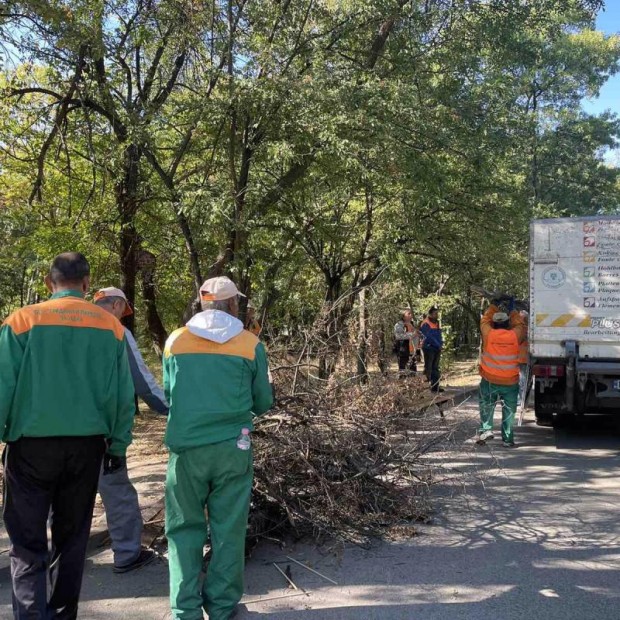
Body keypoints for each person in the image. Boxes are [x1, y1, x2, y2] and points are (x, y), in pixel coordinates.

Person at [0, 252, 135, 619]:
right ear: (88, 284)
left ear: (49, 283)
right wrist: (118, 445)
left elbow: (3, 387)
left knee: (28, 543)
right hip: (86, 448)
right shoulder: (111, 328)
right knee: (72, 540)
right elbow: (122, 396)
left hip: (30, 449)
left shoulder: (22, 321)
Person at [163, 276, 273, 620]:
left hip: (186, 450)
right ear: (234, 304)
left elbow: (170, 393)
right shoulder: (249, 344)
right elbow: (263, 401)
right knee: (228, 529)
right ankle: (222, 607)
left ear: (202, 301)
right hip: (232, 448)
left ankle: (185, 610)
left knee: (183, 529)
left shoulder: (175, 341)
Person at [94, 286, 169, 573]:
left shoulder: (48, 326)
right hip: (101, 428)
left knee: (59, 495)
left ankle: (55, 559)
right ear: (115, 306)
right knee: (116, 491)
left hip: (47, 429)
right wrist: (171, 409)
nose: (123, 317)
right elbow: (142, 381)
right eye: (123, 311)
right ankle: (127, 555)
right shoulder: (115, 331)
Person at [477, 300, 526, 447]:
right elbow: (520, 325)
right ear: (507, 323)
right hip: (510, 381)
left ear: (494, 323)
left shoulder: (488, 334)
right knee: (509, 411)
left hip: (489, 379)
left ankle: (486, 430)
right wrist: (513, 311)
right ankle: (508, 440)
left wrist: (493, 306)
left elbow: (484, 320)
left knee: (486, 405)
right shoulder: (514, 335)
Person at [420, 306, 443, 392]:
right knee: (428, 367)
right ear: (430, 314)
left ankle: (435, 387)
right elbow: (428, 337)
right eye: (435, 314)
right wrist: (438, 344)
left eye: (437, 313)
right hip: (429, 347)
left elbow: (438, 335)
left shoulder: (436, 323)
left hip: (436, 348)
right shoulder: (425, 323)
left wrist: (441, 343)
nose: (437, 315)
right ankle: (425, 387)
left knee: (435, 368)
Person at [393, 308, 420, 377]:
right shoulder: (399, 325)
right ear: (403, 316)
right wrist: (412, 334)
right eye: (409, 314)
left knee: (413, 372)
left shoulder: (413, 324)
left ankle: (413, 386)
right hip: (403, 352)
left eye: (411, 313)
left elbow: (417, 336)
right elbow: (398, 336)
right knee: (403, 372)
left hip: (412, 352)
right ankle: (403, 386)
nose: (411, 315)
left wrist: (417, 350)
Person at [518, 310, 530, 404]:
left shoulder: (519, 329)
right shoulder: (529, 329)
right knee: (525, 379)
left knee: (522, 380)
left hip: (520, 358)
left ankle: (522, 399)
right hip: (527, 358)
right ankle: (523, 398)